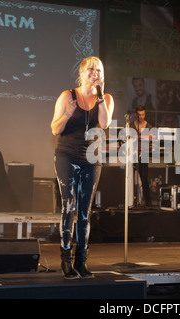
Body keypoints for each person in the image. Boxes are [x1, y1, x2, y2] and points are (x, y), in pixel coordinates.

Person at [51, 56, 114, 279]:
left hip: (92, 159)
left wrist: (100, 96)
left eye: (98, 69)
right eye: (90, 69)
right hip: (67, 156)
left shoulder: (105, 98)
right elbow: (55, 129)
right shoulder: (67, 95)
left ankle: (81, 261)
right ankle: (66, 260)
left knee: (85, 212)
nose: (94, 72)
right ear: (81, 72)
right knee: (69, 207)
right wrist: (68, 113)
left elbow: (105, 124)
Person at [130, 105, 153, 206]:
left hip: (144, 154)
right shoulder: (131, 126)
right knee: (130, 178)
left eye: (143, 114)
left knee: (144, 178)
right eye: (139, 115)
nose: (141, 117)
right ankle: (131, 200)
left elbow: (153, 140)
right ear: (136, 115)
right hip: (133, 154)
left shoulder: (149, 126)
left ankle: (148, 201)